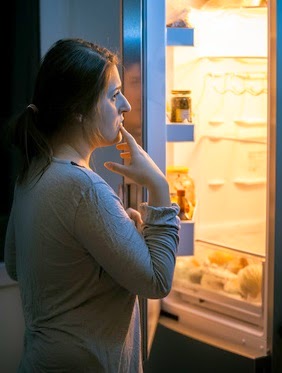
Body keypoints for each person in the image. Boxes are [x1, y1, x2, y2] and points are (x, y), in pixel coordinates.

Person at [4, 38, 180, 372]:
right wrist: (158, 185)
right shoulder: (82, 188)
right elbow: (157, 281)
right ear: (78, 110)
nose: (126, 105)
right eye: (114, 96)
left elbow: (17, 264)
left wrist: (120, 239)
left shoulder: (32, 173)